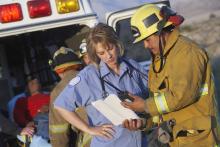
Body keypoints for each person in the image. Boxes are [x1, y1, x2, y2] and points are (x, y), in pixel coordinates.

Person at [121, 4, 220, 147]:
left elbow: (182, 95)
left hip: (198, 140)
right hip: (176, 140)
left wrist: (145, 106)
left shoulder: (187, 52)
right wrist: (143, 122)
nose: (145, 46)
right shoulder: (161, 59)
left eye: (147, 39)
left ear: (161, 31)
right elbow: (161, 107)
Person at [53, 23, 149, 147]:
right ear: (95, 54)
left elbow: (150, 99)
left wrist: (143, 120)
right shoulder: (89, 77)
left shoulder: (133, 67)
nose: (108, 56)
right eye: (101, 53)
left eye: (110, 49)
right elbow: (61, 105)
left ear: (117, 44)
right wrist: (89, 129)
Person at [48, 46, 83, 147]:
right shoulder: (94, 75)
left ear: (58, 71)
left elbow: (59, 130)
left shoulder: (58, 91)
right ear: (79, 65)